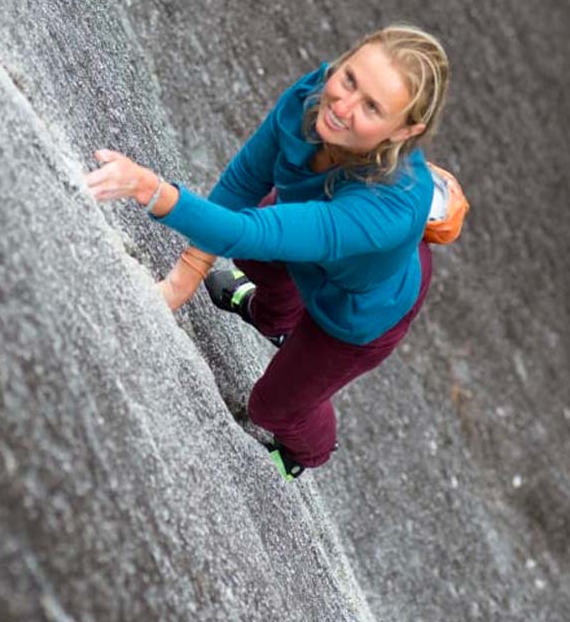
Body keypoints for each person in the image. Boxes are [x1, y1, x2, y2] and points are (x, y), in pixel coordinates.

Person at [86, 24, 451, 481]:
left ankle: (309, 452)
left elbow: (251, 230)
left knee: (272, 407)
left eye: (372, 108)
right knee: (254, 257)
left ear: (405, 131)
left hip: (356, 310)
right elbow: (244, 182)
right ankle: (273, 320)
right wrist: (184, 278)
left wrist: (152, 190)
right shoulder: (316, 95)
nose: (342, 105)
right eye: (350, 78)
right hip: (309, 233)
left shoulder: (386, 208)